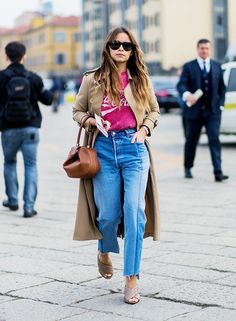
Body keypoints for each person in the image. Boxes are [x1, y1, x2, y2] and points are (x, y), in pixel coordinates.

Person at [72, 27, 160, 304]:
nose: (120, 49)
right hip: (104, 151)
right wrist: (90, 121)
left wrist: (144, 130)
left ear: (133, 49)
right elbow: (77, 110)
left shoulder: (141, 78)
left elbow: (154, 110)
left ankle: (131, 277)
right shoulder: (92, 79)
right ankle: (104, 249)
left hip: (134, 149)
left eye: (126, 45)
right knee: (108, 215)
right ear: (107, 47)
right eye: (115, 44)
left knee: (134, 212)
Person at [0, 41, 53, 217]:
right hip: (30, 128)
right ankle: (29, 207)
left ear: (6, 56)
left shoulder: (1, 77)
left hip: (8, 129)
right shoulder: (33, 77)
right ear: (24, 56)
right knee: (31, 165)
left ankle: (13, 200)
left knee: (9, 163)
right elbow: (48, 100)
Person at [177, 39, 228, 182]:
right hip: (194, 112)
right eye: (202, 48)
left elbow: (222, 89)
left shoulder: (217, 66)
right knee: (191, 140)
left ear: (210, 49)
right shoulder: (189, 66)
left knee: (214, 139)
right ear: (197, 49)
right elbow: (181, 85)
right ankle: (188, 167)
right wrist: (187, 95)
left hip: (212, 112)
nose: (204, 51)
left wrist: (221, 105)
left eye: (207, 48)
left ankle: (218, 172)